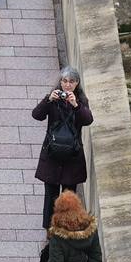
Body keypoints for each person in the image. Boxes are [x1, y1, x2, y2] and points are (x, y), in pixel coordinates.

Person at [32, 66, 93, 229]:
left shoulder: (80, 100)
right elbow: (37, 115)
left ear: (77, 83)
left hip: (72, 157)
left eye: (71, 81)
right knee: (50, 196)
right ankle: (50, 228)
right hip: (52, 154)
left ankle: (66, 228)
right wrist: (48, 100)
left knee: (69, 197)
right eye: (64, 81)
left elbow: (88, 120)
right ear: (60, 82)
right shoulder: (53, 98)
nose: (67, 85)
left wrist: (76, 105)